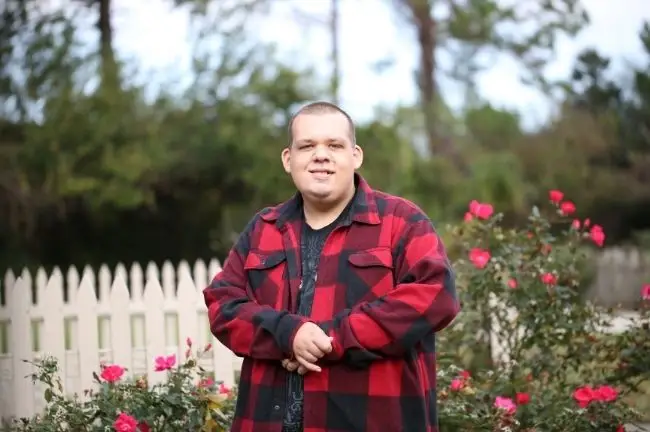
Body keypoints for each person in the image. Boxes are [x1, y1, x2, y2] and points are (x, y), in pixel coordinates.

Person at [203, 101, 460, 432]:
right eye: (307, 146)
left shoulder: (400, 221)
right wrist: (287, 333)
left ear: (356, 156)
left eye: (334, 145)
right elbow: (223, 304)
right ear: (288, 159)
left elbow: (436, 295)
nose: (320, 155)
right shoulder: (263, 229)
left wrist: (331, 338)